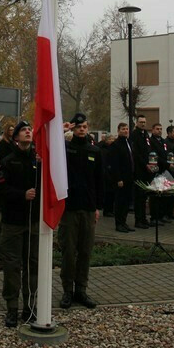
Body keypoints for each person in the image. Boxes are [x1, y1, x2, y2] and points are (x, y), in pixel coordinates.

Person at [0, 121, 40, 328]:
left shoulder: (38, 162)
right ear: (15, 138)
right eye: (23, 130)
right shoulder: (8, 161)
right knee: (13, 266)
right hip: (13, 222)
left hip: (33, 222)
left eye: (29, 129)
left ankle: (30, 307)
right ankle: (12, 308)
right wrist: (22, 195)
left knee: (33, 266)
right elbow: (0, 191)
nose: (28, 132)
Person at [58, 113, 103, 310]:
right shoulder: (66, 149)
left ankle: (81, 290)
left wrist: (97, 207)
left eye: (84, 126)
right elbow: (51, 146)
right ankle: (67, 291)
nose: (82, 130)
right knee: (69, 252)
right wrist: (63, 128)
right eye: (78, 127)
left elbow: (99, 181)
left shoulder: (95, 151)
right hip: (69, 208)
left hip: (88, 208)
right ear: (73, 129)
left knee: (85, 251)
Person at [108, 122, 135, 233]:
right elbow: (114, 164)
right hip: (121, 179)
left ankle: (124, 222)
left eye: (127, 129)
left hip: (130, 177)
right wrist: (118, 178)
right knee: (120, 202)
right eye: (123, 129)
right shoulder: (116, 145)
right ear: (118, 131)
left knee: (127, 201)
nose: (125, 131)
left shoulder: (128, 142)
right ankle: (118, 223)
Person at [130, 114, 151, 229]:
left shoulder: (146, 134)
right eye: (141, 122)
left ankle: (143, 218)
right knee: (139, 196)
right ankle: (138, 220)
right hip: (139, 169)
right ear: (137, 123)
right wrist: (145, 164)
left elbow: (148, 149)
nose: (143, 124)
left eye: (144, 122)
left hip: (147, 170)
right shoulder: (134, 135)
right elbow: (136, 153)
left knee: (144, 196)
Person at [149, 122, 169, 225]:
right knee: (155, 195)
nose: (159, 131)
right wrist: (164, 162)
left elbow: (166, 153)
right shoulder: (151, 141)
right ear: (152, 130)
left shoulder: (163, 141)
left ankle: (161, 215)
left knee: (162, 194)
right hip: (156, 170)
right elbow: (155, 155)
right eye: (157, 129)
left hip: (164, 170)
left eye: (161, 129)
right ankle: (154, 217)